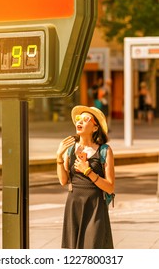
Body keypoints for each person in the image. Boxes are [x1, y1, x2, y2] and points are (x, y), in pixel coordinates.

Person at [56, 105, 115, 249]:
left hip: (95, 206)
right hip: (74, 205)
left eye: (85, 119)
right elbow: (63, 181)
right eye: (78, 119)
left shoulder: (104, 150)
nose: (79, 122)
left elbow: (110, 186)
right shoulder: (70, 149)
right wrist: (58, 157)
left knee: (93, 247)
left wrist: (88, 171)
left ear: (95, 128)